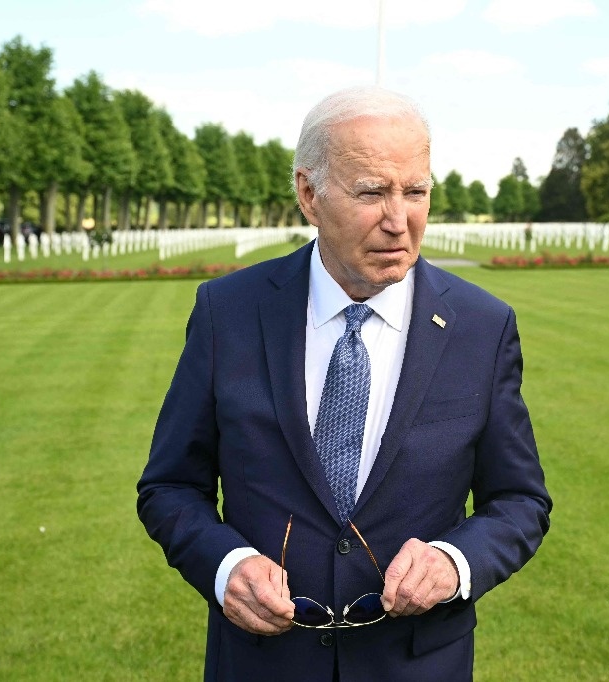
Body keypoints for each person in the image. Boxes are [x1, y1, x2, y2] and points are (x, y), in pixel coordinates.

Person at [137, 86, 551, 682]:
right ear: (309, 194)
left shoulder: (482, 327)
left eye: (415, 191)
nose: (398, 219)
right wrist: (226, 566)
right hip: (261, 665)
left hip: (417, 665)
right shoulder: (227, 312)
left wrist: (454, 561)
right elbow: (170, 486)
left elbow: (520, 501)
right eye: (371, 192)